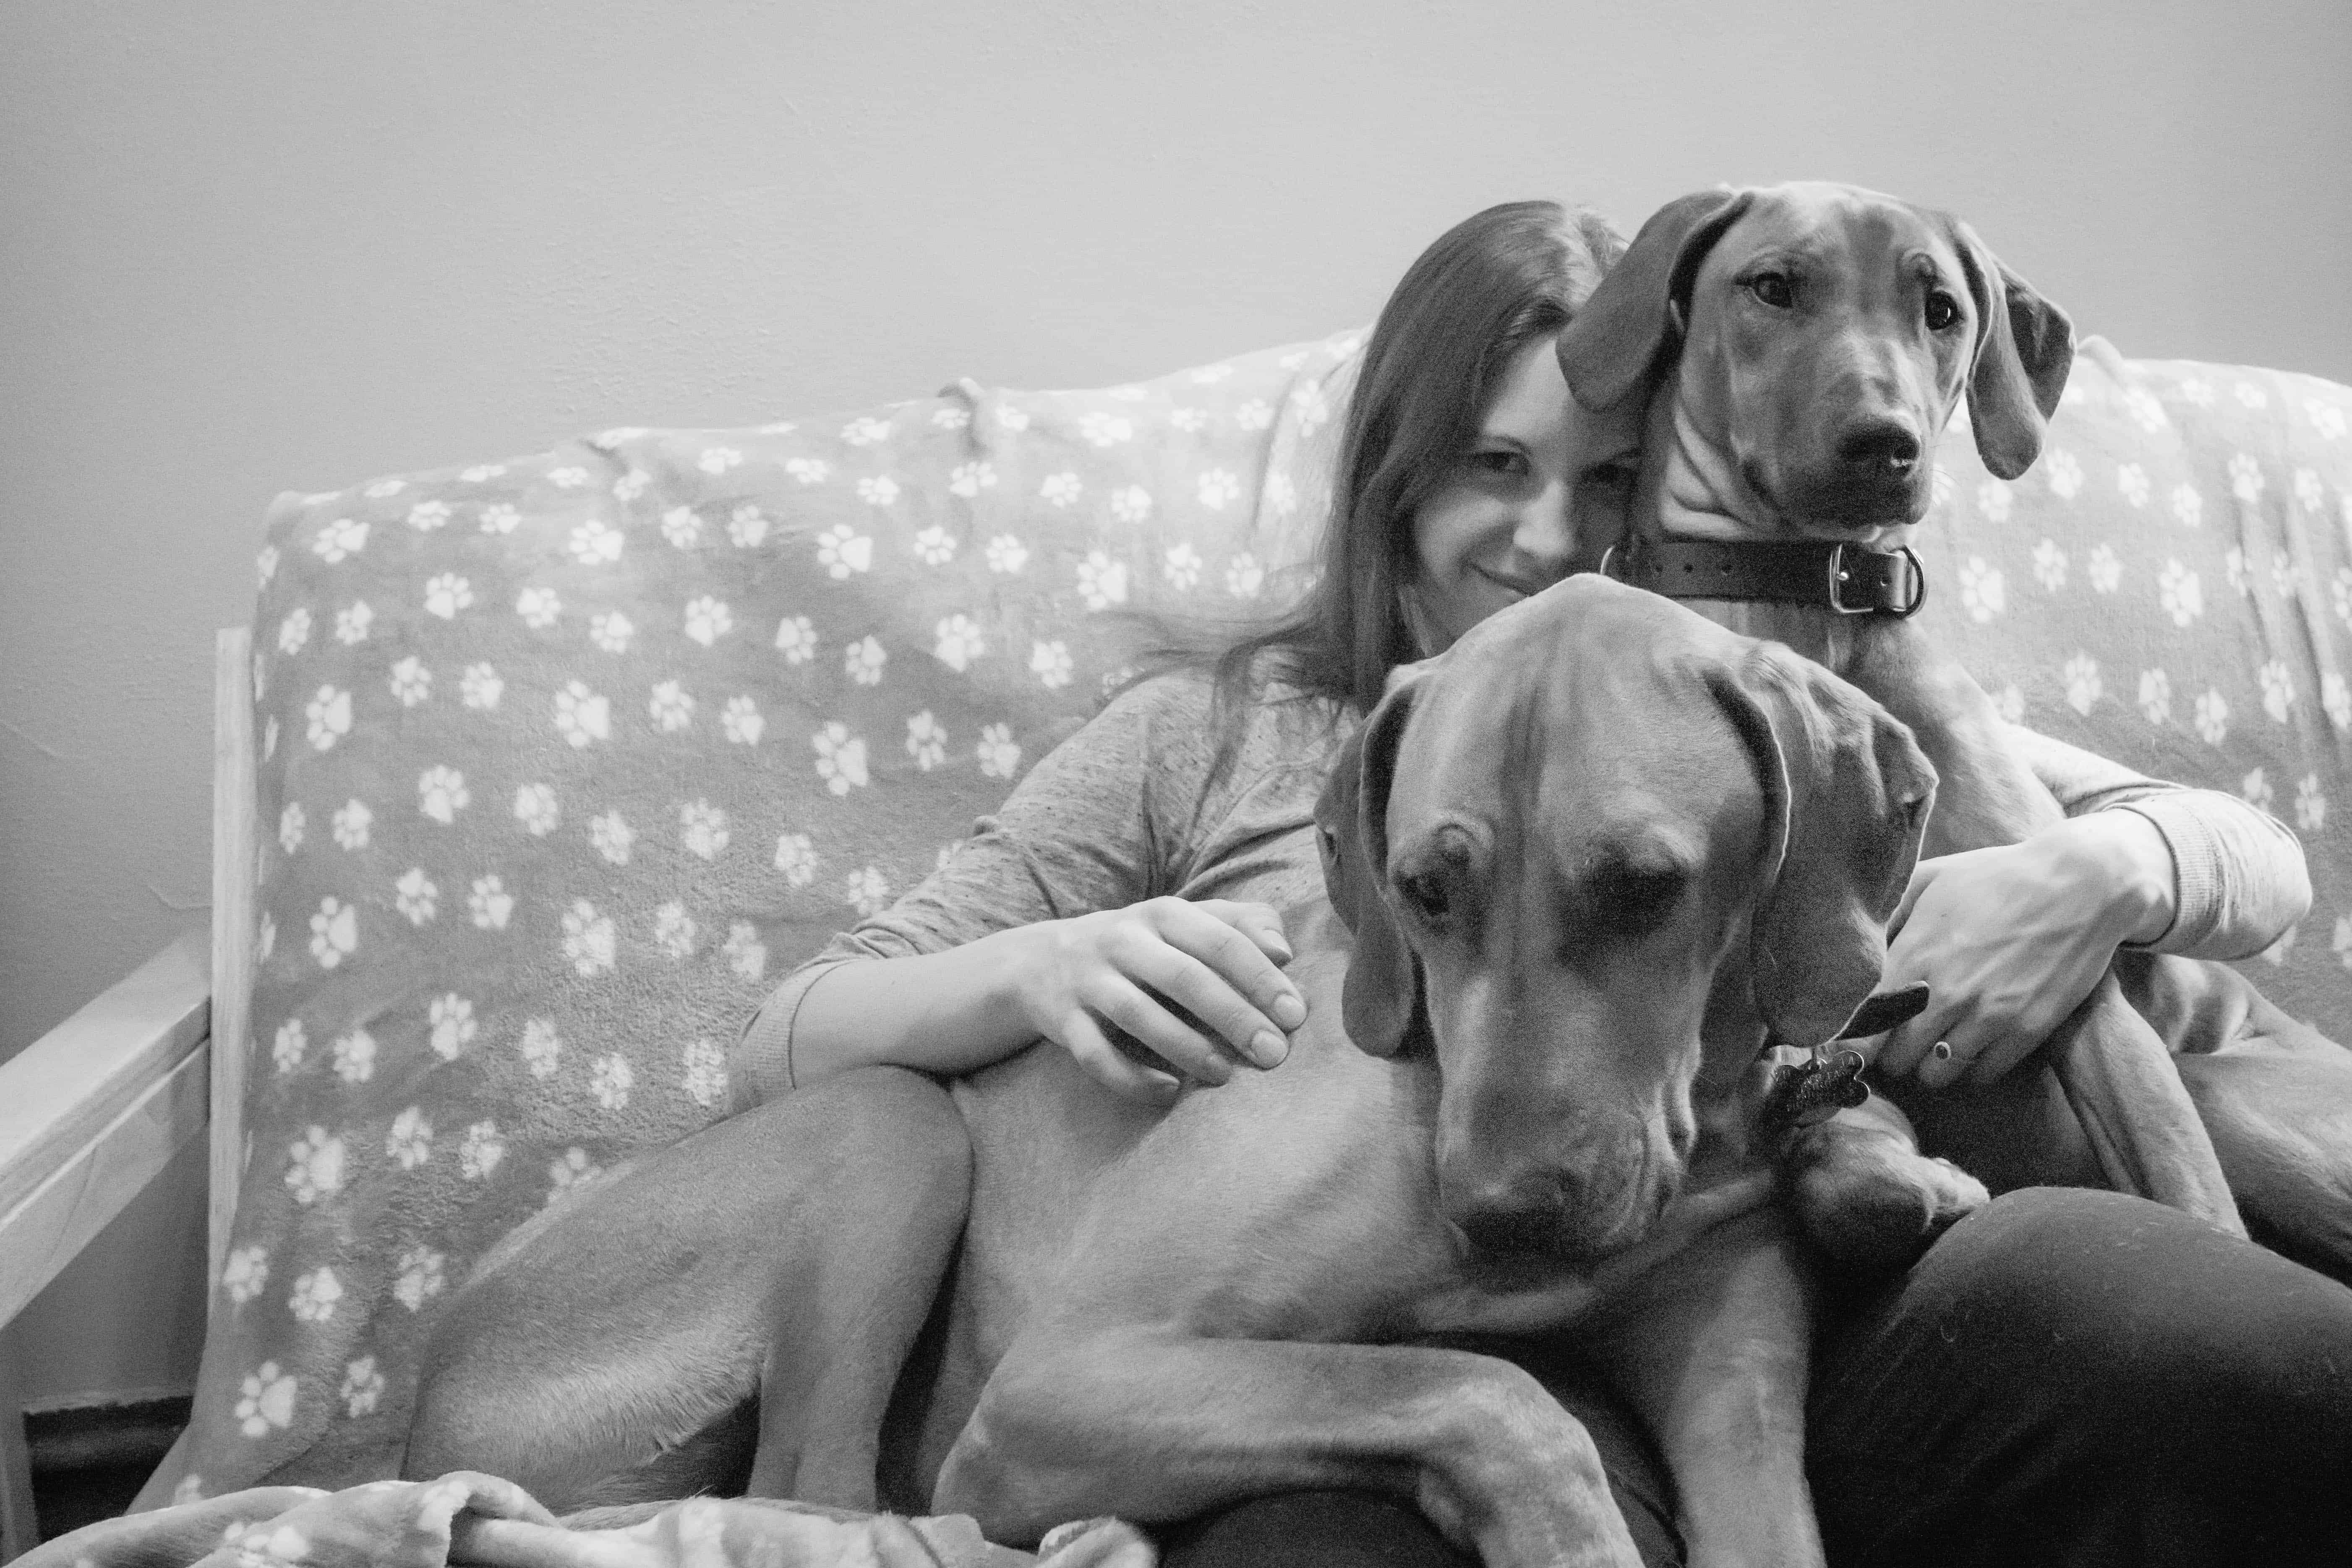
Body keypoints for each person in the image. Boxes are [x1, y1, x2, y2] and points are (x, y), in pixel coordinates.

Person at [736, 200, 2352, 1567]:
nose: (1544, 534)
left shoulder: (1739, 710)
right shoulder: (1221, 732)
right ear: (1395, 475)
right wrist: (1037, 968)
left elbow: (2237, 855)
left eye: (1603, 482)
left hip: (1832, 1315)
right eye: (1489, 465)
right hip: (1345, 1354)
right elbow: (796, 1037)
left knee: (2238, 1358)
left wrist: (2103, 867)